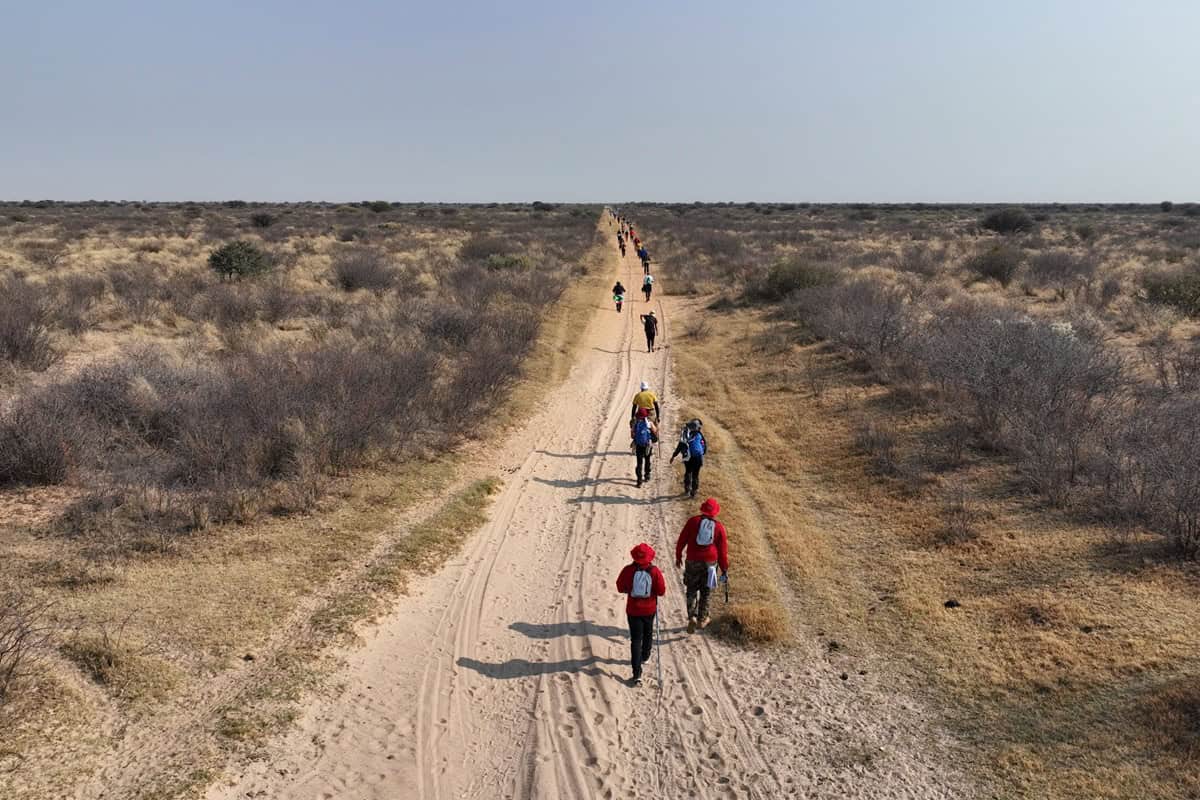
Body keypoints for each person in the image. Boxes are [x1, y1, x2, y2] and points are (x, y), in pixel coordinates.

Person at [675, 497, 729, 634]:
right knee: (706, 592)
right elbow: (723, 552)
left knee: (691, 589)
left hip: (692, 560)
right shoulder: (719, 527)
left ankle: (691, 616)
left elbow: (682, 540)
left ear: (702, 509)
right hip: (711, 564)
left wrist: (678, 556)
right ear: (715, 512)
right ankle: (702, 619)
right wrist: (724, 569)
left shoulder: (693, 522)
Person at [616, 542, 667, 686]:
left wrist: (628, 589)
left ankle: (637, 672)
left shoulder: (628, 570)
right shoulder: (654, 571)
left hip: (633, 610)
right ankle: (645, 655)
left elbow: (620, 587)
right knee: (648, 632)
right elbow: (661, 591)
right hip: (649, 609)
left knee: (636, 639)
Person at [669, 418, 706, 498]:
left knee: (688, 472)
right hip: (698, 458)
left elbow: (680, 446)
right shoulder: (699, 435)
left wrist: (673, 456)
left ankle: (687, 489)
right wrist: (702, 455)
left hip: (688, 457)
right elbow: (704, 447)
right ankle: (694, 492)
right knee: (696, 475)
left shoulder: (685, 435)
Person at [630, 407, 658, 487]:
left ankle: (639, 481)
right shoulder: (649, 422)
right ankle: (647, 475)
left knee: (639, 463)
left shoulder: (635, 423)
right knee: (647, 459)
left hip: (639, 445)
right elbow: (655, 431)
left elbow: (632, 435)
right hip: (647, 445)